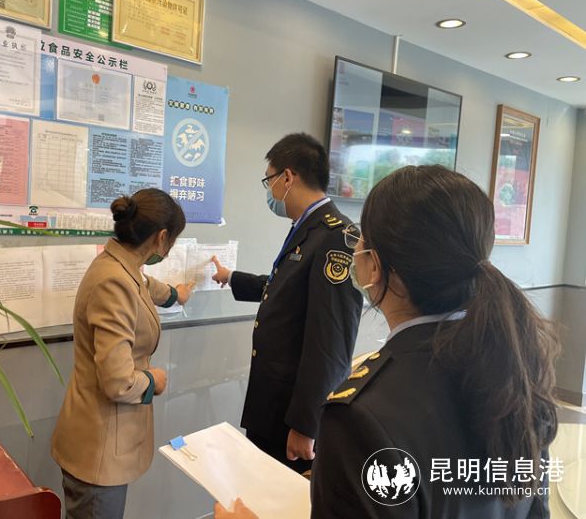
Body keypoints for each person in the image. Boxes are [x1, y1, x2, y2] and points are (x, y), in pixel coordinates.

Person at [215, 165, 559, 518]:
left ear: (375, 265)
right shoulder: (517, 369)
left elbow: (327, 340)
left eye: (362, 239)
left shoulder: (360, 419)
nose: (355, 247)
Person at [211, 133, 362, 473]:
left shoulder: (336, 237)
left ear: (288, 177)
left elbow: (332, 341)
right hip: (272, 405)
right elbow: (286, 289)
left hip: (292, 415)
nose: (270, 190)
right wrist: (232, 277)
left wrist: (306, 423)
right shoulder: (307, 228)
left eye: (270, 180)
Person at [51, 188, 195, 519]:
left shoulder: (119, 264)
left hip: (102, 440)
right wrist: (153, 380)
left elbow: (144, 286)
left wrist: (176, 295)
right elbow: (117, 382)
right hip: (99, 448)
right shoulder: (113, 282)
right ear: (161, 238)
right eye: (172, 242)